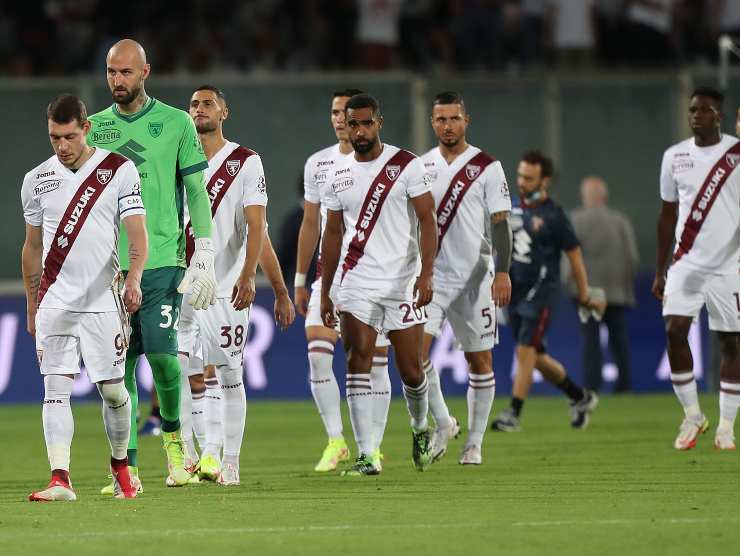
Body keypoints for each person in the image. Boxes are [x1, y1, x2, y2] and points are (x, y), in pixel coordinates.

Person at [90, 39, 216, 491]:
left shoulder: (176, 122)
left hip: (161, 260)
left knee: (164, 361)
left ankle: (175, 446)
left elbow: (197, 191)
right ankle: (127, 468)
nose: (117, 81)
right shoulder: (93, 129)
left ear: (146, 71)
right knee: (118, 372)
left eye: (125, 72)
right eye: (111, 72)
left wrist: (204, 251)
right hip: (107, 269)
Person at [22, 94, 147, 501]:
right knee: (54, 389)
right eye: (55, 137)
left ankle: (120, 467)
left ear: (86, 127)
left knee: (113, 390)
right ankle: (60, 478)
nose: (62, 146)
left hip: (102, 300)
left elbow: (137, 232)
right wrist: (32, 304)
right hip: (55, 300)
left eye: (70, 136)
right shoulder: (36, 179)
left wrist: (135, 278)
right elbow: (31, 246)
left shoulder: (118, 169)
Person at [176, 85, 293, 485]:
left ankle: (230, 461)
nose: (199, 109)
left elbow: (257, 227)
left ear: (224, 111)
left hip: (226, 285)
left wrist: (254, 277)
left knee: (227, 373)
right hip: (180, 282)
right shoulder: (178, 159)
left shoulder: (245, 162)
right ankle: (195, 456)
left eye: (208, 103)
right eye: (193, 104)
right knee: (185, 371)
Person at [320, 93, 437, 475]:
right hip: (356, 282)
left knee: (411, 371)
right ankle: (368, 454)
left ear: (379, 123)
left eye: (367, 123)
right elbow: (332, 235)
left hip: (403, 281)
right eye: (353, 124)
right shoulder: (336, 174)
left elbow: (427, 220)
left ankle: (420, 427)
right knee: (358, 359)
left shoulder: (407, 165)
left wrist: (426, 273)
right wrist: (326, 289)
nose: (360, 130)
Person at [294, 89, 392, 472]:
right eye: (334, 112)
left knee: (376, 363)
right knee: (318, 353)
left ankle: (375, 446)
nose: (339, 119)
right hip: (330, 276)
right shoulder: (318, 164)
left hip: (377, 277)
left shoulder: (386, 164)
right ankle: (336, 440)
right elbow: (310, 224)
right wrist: (301, 279)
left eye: (345, 114)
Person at [419, 91, 512, 465]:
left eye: (454, 118)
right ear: (432, 123)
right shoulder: (421, 167)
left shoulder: (488, 167)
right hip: (433, 277)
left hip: (475, 277)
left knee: (480, 362)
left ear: (465, 121)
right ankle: (443, 421)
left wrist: (503, 271)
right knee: (415, 355)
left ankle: (474, 442)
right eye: (440, 119)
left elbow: (500, 224)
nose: (447, 125)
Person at [653, 87, 740, 451]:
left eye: (703, 110)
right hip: (686, 262)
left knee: (731, 343)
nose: (695, 116)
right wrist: (661, 269)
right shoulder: (674, 156)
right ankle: (692, 415)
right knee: (675, 331)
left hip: (729, 265)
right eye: (691, 110)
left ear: (719, 115)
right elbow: (667, 213)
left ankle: (726, 426)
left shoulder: (736, 154)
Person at [490, 150, 602, 432]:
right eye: (520, 175)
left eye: (529, 178)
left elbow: (574, 255)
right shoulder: (510, 207)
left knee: (525, 348)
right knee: (535, 358)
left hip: (542, 293)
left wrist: (584, 292)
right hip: (514, 292)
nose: (522, 181)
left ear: (545, 181)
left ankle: (513, 413)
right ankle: (579, 396)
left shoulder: (554, 216)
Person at [568, 176, 638, 393]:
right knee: (619, 340)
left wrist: (571, 286)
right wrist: (625, 283)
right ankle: (624, 385)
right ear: (604, 197)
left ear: (584, 197)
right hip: (616, 292)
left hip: (587, 292)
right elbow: (632, 258)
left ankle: (592, 386)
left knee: (591, 339)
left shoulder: (574, 220)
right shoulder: (620, 221)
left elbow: (568, 256)